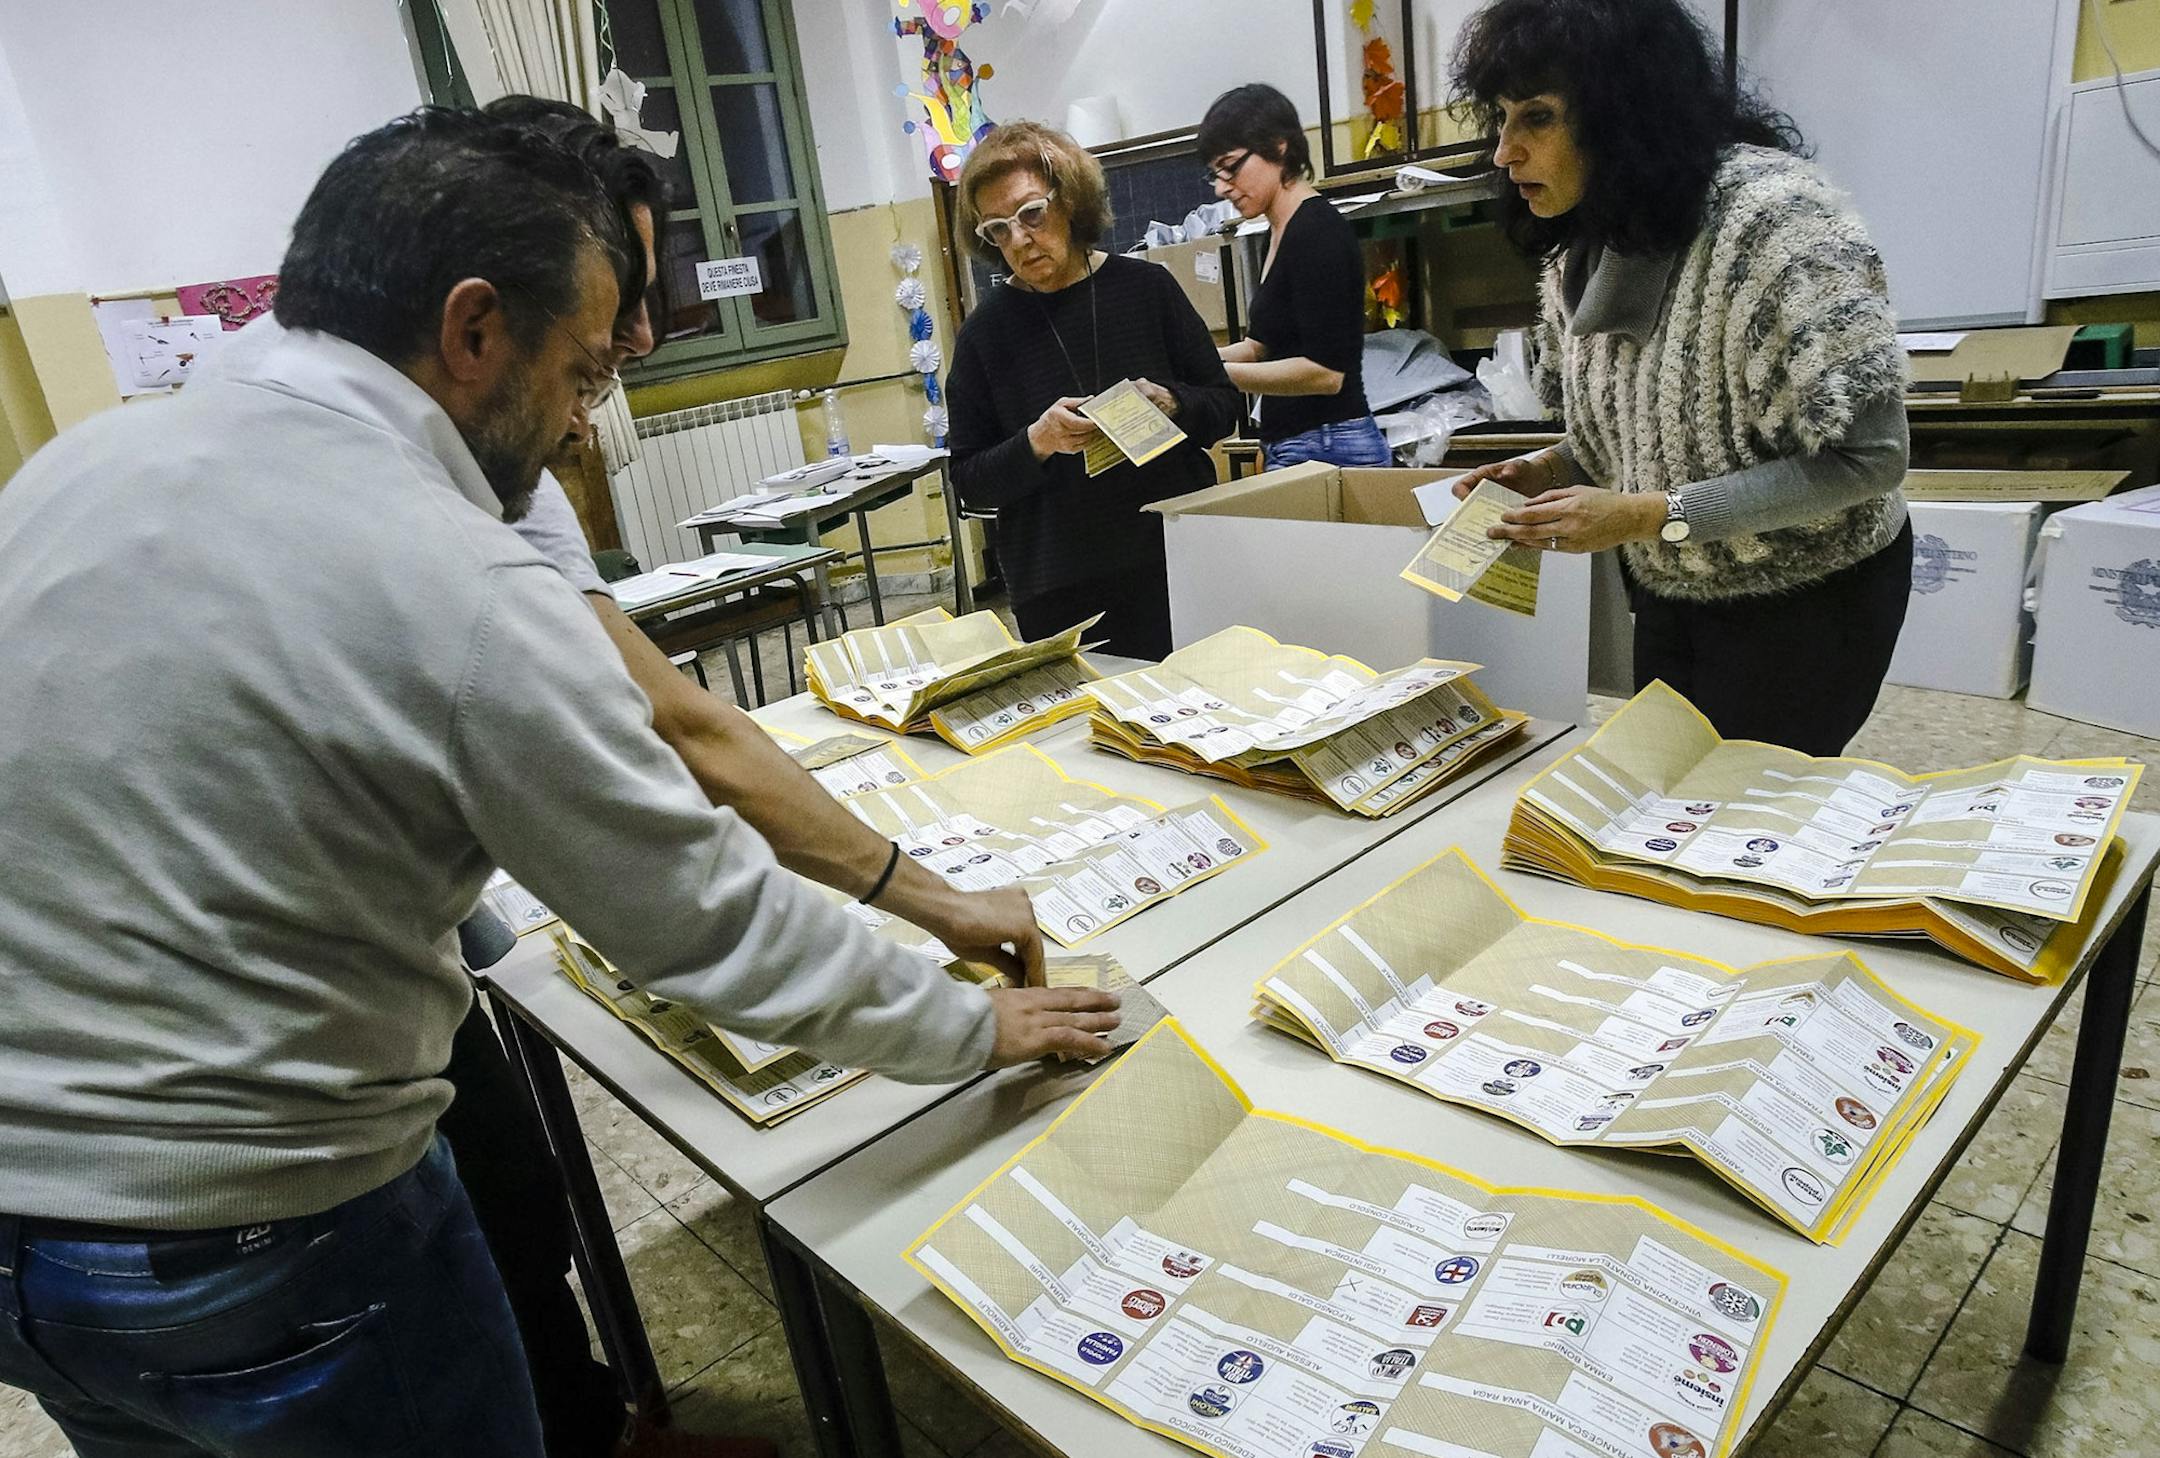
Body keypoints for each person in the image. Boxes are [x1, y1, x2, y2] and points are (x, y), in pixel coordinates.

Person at [0, 108, 1117, 1458]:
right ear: (475, 330)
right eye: (583, 372)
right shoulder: (450, 571)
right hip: (269, 1232)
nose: (582, 423)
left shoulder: (74, 468)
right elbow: (705, 924)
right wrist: (971, 1031)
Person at [1448, 0, 1913, 756]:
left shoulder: (1774, 222)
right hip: (1669, 582)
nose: (1504, 153)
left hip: (1810, 597)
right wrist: (1546, 469)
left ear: (1622, 114)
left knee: (1745, 811)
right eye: (1499, 119)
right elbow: (1619, 438)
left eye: (1536, 118)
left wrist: (1642, 515)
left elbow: (1870, 459)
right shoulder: (1579, 248)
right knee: (1676, 799)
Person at [947, 120, 1241, 661]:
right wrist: (1036, 441)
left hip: (1176, 559)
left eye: (1031, 214)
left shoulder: (1148, 289)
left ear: (1071, 202)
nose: (1019, 240)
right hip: (1061, 587)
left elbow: (1225, 407)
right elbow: (968, 483)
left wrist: (1173, 403)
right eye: (997, 229)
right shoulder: (984, 336)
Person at [1200, 84, 1386, 471]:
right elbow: (1258, 347)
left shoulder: (1316, 232)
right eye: (1215, 174)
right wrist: (1187, 363)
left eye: (1231, 167)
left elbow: (1325, 373)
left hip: (1330, 446)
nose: (1221, 187)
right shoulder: (1278, 231)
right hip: (1301, 443)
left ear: (1279, 146)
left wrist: (1211, 375)